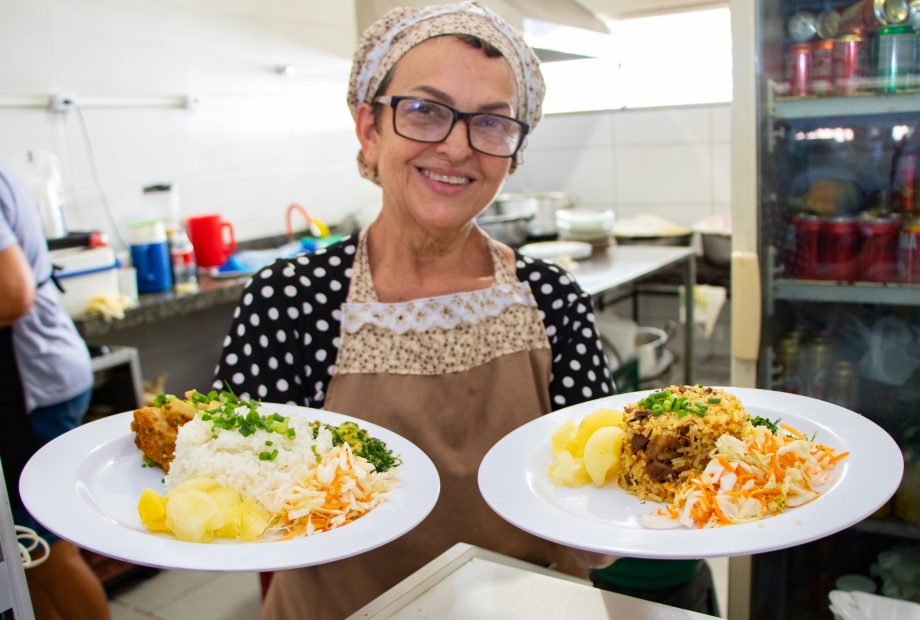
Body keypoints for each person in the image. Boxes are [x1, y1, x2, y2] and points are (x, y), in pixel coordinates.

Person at [212, 3, 614, 617]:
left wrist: (624, 514)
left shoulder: (552, 298)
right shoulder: (290, 299)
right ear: (368, 129)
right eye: (424, 110)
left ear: (514, 150)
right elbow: (229, 491)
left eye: (491, 122)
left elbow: (598, 497)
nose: (457, 147)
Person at [0, 166, 110, 620]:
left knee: (44, 547)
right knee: (26, 556)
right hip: (35, 374)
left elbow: (12, 293)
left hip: (30, 384)